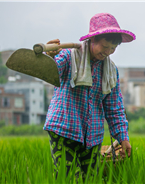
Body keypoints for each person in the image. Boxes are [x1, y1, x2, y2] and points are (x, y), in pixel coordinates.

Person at [43, 12, 135, 179]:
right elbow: (50, 72)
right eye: (105, 46)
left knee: (91, 178)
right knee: (69, 177)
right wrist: (49, 57)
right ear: (93, 40)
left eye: (113, 48)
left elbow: (114, 108)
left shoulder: (110, 70)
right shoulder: (69, 56)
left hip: (92, 135)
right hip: (64, 129)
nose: (108, 52)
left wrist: (123, 137)